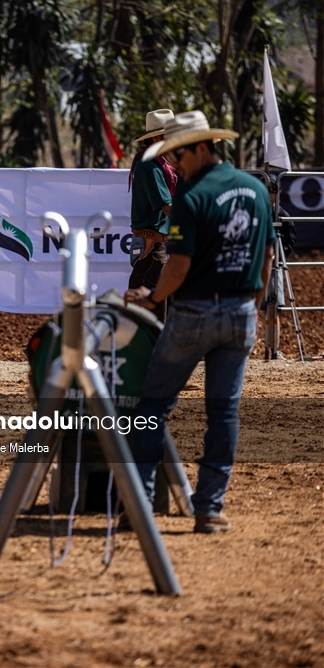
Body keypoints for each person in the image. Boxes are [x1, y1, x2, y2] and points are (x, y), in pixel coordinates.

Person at [125, 111, 275, 534]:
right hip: (240, 312)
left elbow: (179, 265)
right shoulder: (255, 189)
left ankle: (138, 502)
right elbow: (265, 257)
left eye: (178, 154)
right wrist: (254, 304)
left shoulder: (191, 195)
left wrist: (153, 297)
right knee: (224, 412)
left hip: (194, 312)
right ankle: (209, 507)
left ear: (200, 148)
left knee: (153, 404)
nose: (176, 164)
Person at [127, 109, 177, 322]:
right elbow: (167, 206)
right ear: (157, 138)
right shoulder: (151, 167)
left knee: (154, 302)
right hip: (154, 246)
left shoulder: (153, 163)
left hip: (155, 244)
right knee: (155, 307)